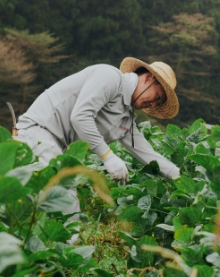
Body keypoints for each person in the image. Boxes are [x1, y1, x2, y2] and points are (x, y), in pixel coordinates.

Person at [14, 57, 180, 242]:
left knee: (33, 204)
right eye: (157, 97)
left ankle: (38, 256)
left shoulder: (125, 118)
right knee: (65, 199)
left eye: (158, 103)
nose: (153, 105)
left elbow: (148, 154)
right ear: (148, 78)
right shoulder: (110, 77)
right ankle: (61, 262)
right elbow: (80, 116)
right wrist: (108, 156)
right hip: (37, 133)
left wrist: (183, 180)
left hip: (53, 146)